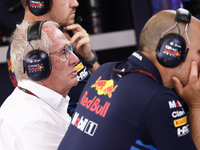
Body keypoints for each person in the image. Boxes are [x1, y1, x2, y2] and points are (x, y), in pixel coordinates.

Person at [58, 8, 200, 150]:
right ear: (172, 52)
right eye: (199, 52)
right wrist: (196, 105)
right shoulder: (158, 99)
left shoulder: (104, 70)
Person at [7, 0, 100, 114]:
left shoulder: (29, 41)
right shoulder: (37, 48)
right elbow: (107, 99)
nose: (75, 3)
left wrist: (89, 59)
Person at [0, 20, 79, 150]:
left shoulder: (34, 104)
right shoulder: (36, 123)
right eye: (64, 51)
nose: (75, 59)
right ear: (36, 65)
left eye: (70, 49)